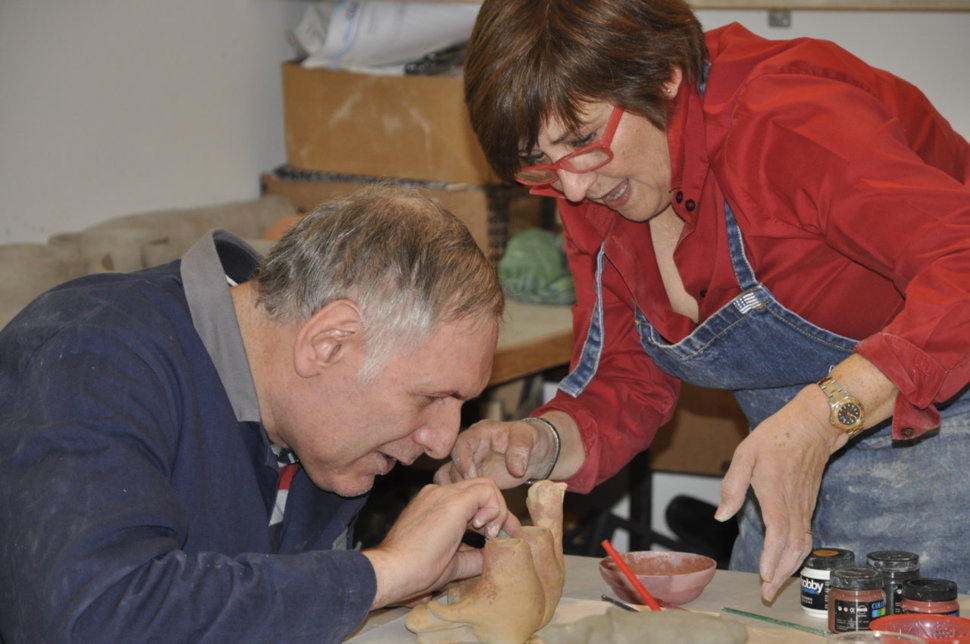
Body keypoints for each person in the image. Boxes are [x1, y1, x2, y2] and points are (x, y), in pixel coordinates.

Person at [436, 0, 970, 601]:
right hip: (785, 448)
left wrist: (823, 416)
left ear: (664, 75)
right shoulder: (587, 183)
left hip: (946, 420)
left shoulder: (788, 121)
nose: (574, 187)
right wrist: (541, 443)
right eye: (541, 165)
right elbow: (626, 373)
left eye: (583, 140)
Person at [0, 186, 519, 643]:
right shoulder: (92, 353)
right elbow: (91, 616)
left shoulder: (316, 428)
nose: (442, 441)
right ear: (328, 343)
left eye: (460, 405)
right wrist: (380, 574)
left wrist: (403, 584)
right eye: (430, 397)